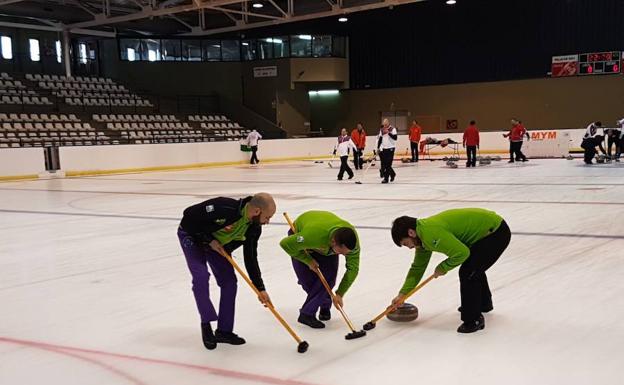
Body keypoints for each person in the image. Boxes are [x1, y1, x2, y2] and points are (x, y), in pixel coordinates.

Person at [178, 193, 276, 350]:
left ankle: (224, 331)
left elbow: (250, 257)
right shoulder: (224, 207)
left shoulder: (254, 228)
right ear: (257, 211)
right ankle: (206, 323)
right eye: (267, 217)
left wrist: (260, 288)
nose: (268, 222)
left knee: (230, 283)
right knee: (201, 276)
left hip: (217, 246)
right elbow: (189, 216)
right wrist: (209, 240)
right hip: (193, 236)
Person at [389, 208, 511, 333]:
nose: (409, 247)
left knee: (468, 271)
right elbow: (417, 268)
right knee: (474, 267)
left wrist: (443, 267)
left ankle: (473, 319)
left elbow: (462, 253)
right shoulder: (422, 237)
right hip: (484, 234)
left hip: (495, 233)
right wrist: (403, 294)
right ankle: (483, 304)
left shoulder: (431, 234)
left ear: (411, 233)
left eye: (406, 243)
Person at [280, 211, 360, 329]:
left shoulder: (352, 245)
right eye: (341, 252)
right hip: (304, 237)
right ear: (333, 242)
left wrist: (339, 294)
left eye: (346, 253)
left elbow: (352, 270)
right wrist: (308, 260)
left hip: (325, 244)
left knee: (328, 279)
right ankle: (309, 313)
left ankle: (312, 310)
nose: (343, 255)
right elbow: (285, 244)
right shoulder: (311, 236)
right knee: (308, 281)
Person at [378, 118, 398, 183]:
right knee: (385, 164)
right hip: (384, 148)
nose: (385, 126)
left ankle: (386, 179)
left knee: (388, 164)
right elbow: (380, 139)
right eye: (384, 124)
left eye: (386, 124)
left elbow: (395, 138)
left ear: (388, 123)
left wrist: (388, 133)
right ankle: (392, 174)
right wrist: (378, 148)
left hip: (391, 148)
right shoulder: (382, 130)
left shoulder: (392, 129)